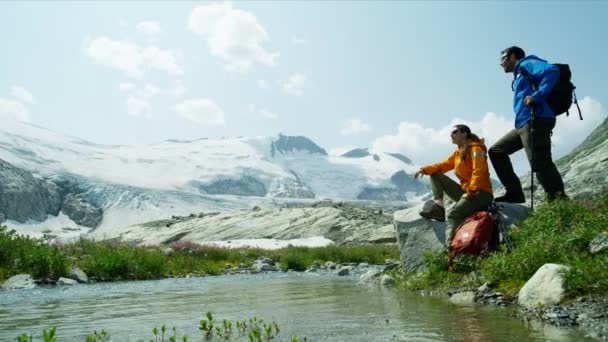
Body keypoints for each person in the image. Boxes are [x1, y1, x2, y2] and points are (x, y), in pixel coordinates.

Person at [489, 46, 566, 203]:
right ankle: (515, 193)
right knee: (496, 151)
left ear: (513, 57)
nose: (501, 63)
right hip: (524, 122)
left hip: (537, 118)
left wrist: (536, 96)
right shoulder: (519, 74)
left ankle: (559, 201)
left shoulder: (526, 64)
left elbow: (552, 71)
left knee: (539, 162)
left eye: (503, 58)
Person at [414, 125, 494, 244]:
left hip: (480, 193)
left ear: (464, 133)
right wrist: (424, 169)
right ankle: (439, 208)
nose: (451, 135)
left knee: (453, 216)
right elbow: (443, 165)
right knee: (435, 173)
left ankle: (451, 248)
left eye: (454, 132)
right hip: (467, 192)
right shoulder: (458, 153)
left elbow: (479, 171)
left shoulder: (476, 149)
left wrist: (472, 190)